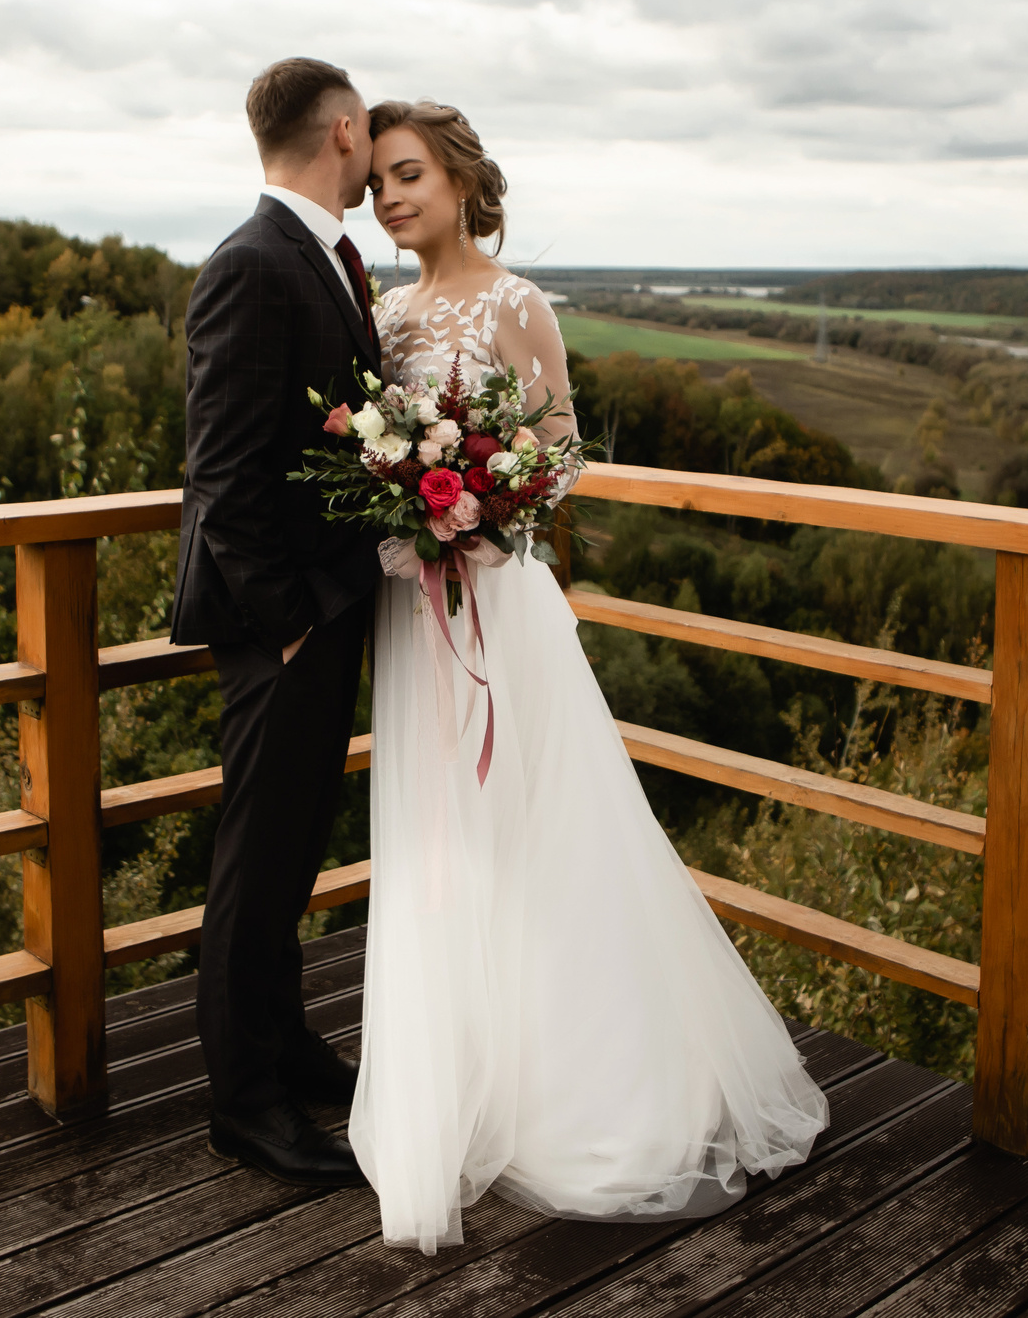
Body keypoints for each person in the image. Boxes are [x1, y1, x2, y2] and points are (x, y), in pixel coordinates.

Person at [348, 99, 829, 1252]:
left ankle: (584, 1095)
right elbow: (367, 442)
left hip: (498, 606)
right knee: (438, 842)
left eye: (409, 174)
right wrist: (406, 506)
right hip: (412, 615)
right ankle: (457, 1079)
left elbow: (559, 448)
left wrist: (482, 512)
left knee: (536, 830)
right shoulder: (382, 309)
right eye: (377, 186)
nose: (391, 198)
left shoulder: (517, 303)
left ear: (461, 179)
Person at [171, 57, 381, 1188]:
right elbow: (225, 475)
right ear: (342, 131)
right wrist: (289, 622)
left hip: (321, 605)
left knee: (296, 847)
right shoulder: (254, 264)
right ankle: (243, 1103)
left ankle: (288, 1045)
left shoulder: (322, 259)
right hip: (279, 623)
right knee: (255, 867)